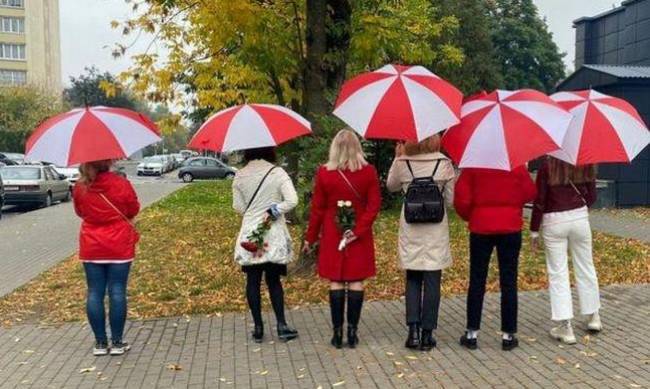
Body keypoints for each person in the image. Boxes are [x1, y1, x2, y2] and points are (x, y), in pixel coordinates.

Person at [304, 129, 382, 349]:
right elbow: (374, 206)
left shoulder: (324, 173)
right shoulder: (369, 172)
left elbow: (317, 209)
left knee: (336, 280)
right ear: (357, 147)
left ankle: (337, 333)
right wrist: (358, 229)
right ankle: (353, 332)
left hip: (332, 233)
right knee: (356, 280)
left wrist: (310, 238)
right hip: (359, 234)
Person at [454, 165, 536, 351]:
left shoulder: (473, 167)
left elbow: (462, 200)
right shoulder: (515, 166)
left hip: (481, 227)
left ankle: (472, 332)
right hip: (510, 226)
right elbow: (530, 192)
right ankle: (508, 334)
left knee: (477, 279)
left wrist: (473, 215)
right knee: (509, 280)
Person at [386, 135, 455, 351]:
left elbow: (391, 187)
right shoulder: (444, 163)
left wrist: (397, 158)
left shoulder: (402, 162)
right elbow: (451, 201)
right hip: (435, 229)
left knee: (413, 277)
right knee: (433, 278)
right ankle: (428, 334)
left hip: (411, 226)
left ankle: (412, 332)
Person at [530, 157, 601, 344]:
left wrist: (534, 230)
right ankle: (593, 316)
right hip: (579, 217)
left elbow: (540, 199)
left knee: (558, 273)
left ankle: (566, 327)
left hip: (554, 220)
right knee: (586, 266)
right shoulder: (585, 160)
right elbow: (592, 197)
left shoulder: (547, 165)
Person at [73, 160, 140, 356]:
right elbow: (133, 209)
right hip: (118, 244)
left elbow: (80, 212)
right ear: (108, 163)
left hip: (91, 245)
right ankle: (118, 342)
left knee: (94, 292)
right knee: (117, 291)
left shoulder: (80, 187)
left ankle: (100, 343)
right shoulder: (121, 183)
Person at [233, 147, 299, 343]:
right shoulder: (277, 173)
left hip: (250, 234)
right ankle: (281, 325)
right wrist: (273, 210)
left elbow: (238, 207)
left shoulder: (240, 175)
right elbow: (292, 200)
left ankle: (259, 328)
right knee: (274, 280)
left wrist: (253, 211)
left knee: (252, 281)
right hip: (273, 234)